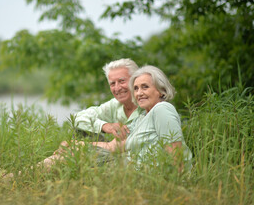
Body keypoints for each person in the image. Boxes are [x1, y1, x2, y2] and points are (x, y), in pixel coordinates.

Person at [40, 65, 192, 171]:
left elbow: (176, 156)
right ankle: (21, 176)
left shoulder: (162, 109)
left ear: (161, 90)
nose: (139, 93)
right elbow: (113, 147)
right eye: (136, 88)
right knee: (70, 155)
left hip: (146, 174)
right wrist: (75, 144)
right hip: (127, 168)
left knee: (69, 161)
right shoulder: (142, 117)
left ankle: (22, 176)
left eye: (145, 87)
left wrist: (176, 188)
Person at [74, 58, 140, 141]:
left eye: (122, 81)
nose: (117, 88)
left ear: (136, 80)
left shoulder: (148, 104)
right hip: (117, 151)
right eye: (112, 83)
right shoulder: (114, 105)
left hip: (141, 152)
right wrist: (104, 126)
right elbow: (77, 118)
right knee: (80, 131)